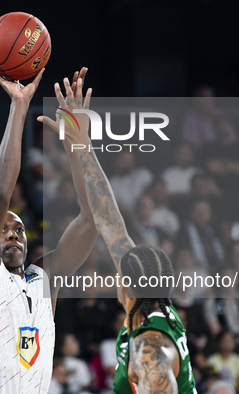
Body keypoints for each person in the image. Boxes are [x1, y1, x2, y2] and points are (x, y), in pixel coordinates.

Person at [0, 67, 98, 394]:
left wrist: (79, 148)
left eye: (18, 228)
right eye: (3, 228)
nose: (12, 233)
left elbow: (92, 219)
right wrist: (19, 106)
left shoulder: (44, 280)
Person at [54, 78, 196, 393]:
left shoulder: (151, 349)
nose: (117, 273)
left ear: (127, 285)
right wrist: (81, 143)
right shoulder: (151, 310)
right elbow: (109, 218)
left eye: (121, 272)